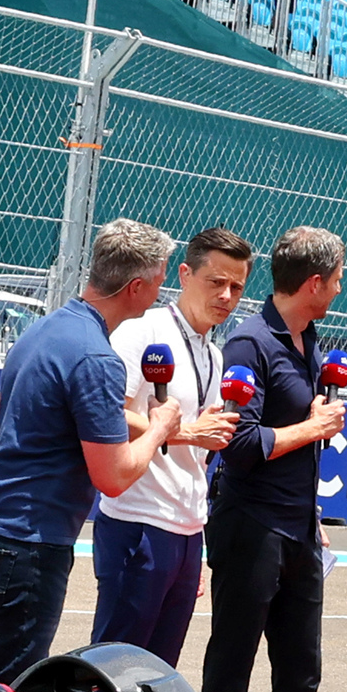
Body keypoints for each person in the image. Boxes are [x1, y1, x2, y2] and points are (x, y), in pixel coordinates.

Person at [0, 218, 192, 684]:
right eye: (159, 278)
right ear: (135, 287)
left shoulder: (42, 331)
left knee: (2, 675)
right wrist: (159, 427)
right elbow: (114, 476)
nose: (163, 288)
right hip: (31, 539)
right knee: (8, 690)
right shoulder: (95, 357)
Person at [203, 225, 347, 692]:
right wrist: (313, 428)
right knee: (231, 663)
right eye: (335, 280)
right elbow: (239, 443)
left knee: (302, 669)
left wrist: (311, 513)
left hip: (299, 527)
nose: (338, 288)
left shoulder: (308, 337)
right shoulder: (251, 343)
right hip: (252, 526)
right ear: (314, 283)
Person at [89, 227, 250, 666]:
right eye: (216, 282)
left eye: (237, 286)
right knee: (115, 665)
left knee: (159, 672)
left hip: (184, 530)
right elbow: (109, 415)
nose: (226, 295)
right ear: (184, 274)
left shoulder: (214, 355)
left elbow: (198, 455)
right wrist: (185, 432)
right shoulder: (145, 331)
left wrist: (192, 537)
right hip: (137, 522)